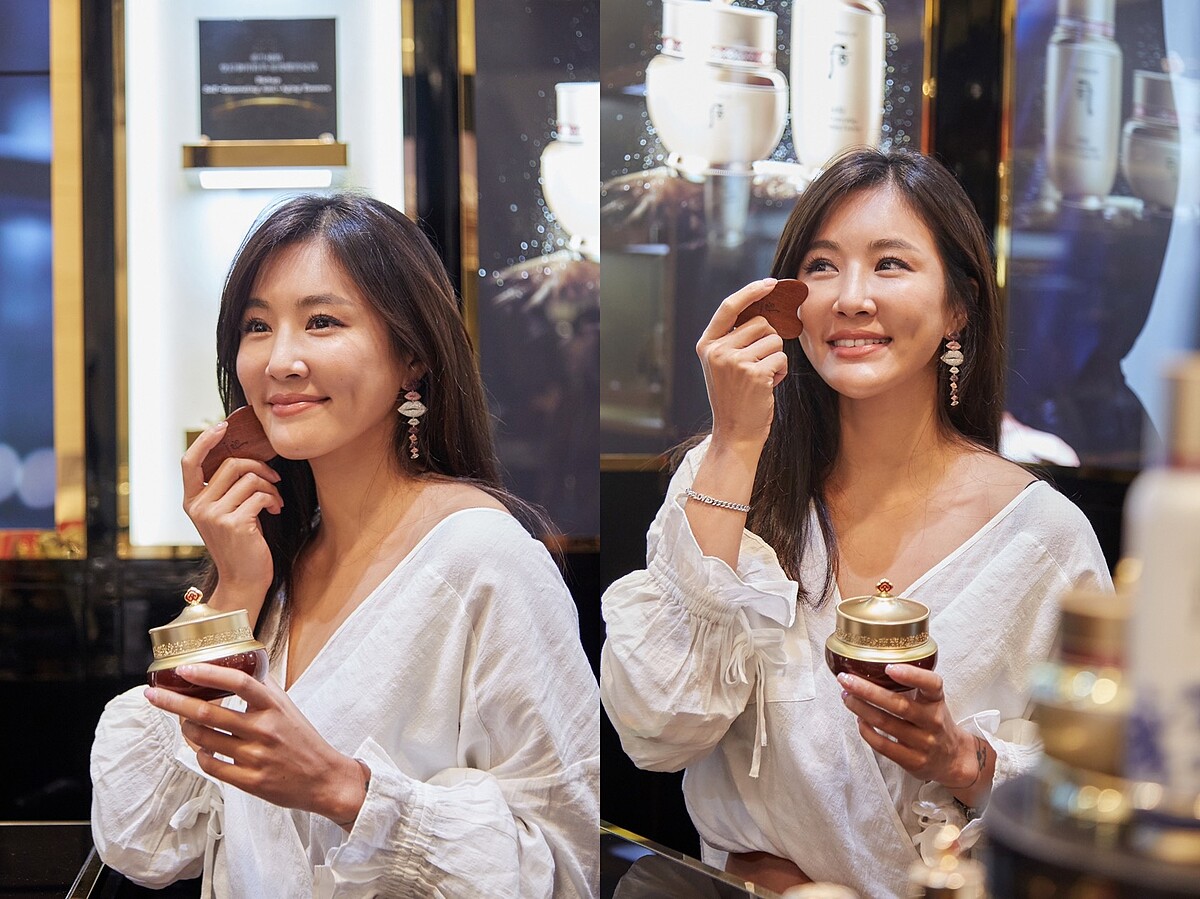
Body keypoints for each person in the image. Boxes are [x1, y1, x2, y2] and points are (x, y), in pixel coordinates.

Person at [600, 149, 1111, 898]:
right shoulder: (731, 479)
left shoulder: (1041, 539)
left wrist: (961, 759)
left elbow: (1097, 795)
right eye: (823, 266)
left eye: (891, 264)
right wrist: (735, 442)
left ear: (959, 306)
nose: (851, 298)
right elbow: (658, 727)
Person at [90, 194, 600, 898]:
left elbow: (569, 862)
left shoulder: (483, 557)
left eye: (322, 321)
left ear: (412, 357)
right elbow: (137, 835)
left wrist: (342, 788)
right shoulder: (276, 568)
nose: (281, 360)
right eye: (257, 326)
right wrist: (234, 591)